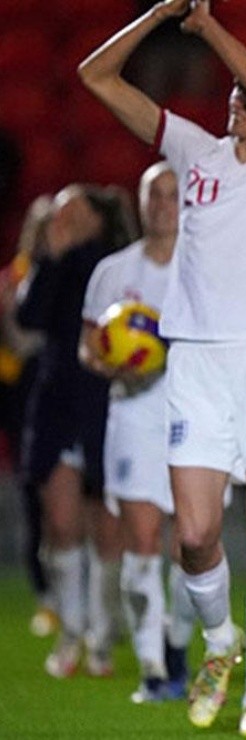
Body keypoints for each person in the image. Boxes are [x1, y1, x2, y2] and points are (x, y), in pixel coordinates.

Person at [78, 0, 246, 734]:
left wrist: (208, 25)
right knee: (193, 536)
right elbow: (95, 75)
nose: (235, 97)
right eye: (230, 90)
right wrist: (163, 17)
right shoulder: (194, 154)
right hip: (194, 364)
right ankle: (218, 641)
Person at [79, 162, 198, 703]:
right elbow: (88, 345)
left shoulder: (205, 267)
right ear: (140, 201)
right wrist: (113, 364)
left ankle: (177, 641)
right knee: (141, 542)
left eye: (174, 196)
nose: (163, 206)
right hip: (131, 414)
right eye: (154, 196)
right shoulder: (112, 271)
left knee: (192, 544)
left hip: (194, 414)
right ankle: (153, 666)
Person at [17, 183, 135, 680]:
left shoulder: (117, 264)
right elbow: (29, 317)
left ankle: (101, 634)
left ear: (97, 218)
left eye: (72, 211)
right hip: (56, 401)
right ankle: (71, 631)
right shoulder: (52, 264)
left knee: (108, 527)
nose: (60, 219)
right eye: (57, 213)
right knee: (61, 522)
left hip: (106, 402)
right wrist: (51, 259)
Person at [1, 197, 52, 638]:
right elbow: (17, 343)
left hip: (65, 393)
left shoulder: (79, 276)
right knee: (35, 497)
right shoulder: (14, 279)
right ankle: (46, 596)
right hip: (24, 397)